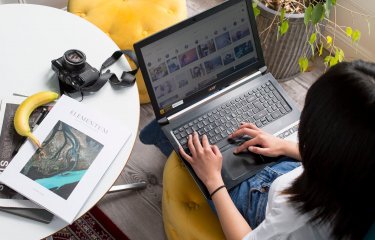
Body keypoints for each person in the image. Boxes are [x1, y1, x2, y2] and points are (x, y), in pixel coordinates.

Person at [140, 60, 375, 239]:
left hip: (262, 201)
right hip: (302, 178)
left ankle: (161, 134)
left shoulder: (294, 222)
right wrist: (286, 146)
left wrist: (213, 181)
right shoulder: (361, 172)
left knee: (197, 149)